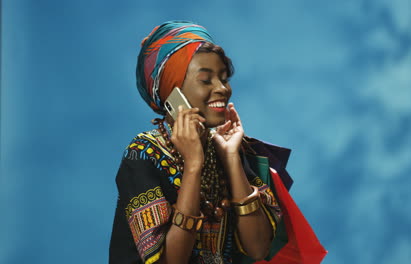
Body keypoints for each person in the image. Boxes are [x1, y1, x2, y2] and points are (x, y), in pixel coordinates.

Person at [109, 21, 282, 264]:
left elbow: (258, 249)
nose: (223, 89)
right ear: (173, 90)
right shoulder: (143, 153)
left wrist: (231, 158)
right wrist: (192, 165)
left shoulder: (225, 148)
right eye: (206, 80)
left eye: (224, 78)